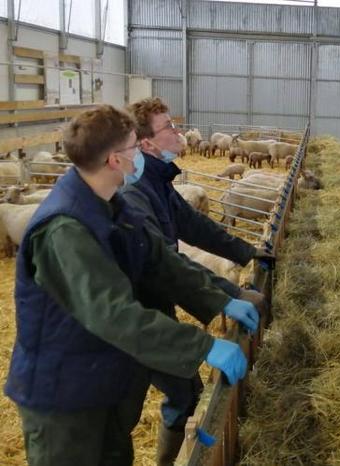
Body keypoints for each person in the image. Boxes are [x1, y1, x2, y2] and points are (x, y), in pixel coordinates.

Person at [4, 105, 260, 466]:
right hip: (62, 397)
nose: (141, 155)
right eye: (134, 149)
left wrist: (222, 299)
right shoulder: (65, 229)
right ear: (114, 160)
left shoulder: (112, 205)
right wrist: (202, 346)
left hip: (100, 379)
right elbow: (113, 313)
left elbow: (159, 261)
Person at [119, 97, 268, 465]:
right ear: (147, 144)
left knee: (183, 390)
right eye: (169, 127)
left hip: (153, 307)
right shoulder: (134, 193)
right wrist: (228, 294)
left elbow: (193, 225)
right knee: (121, 410)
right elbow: (163, 264)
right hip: (133, 316)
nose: (179, 132)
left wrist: (246, 252)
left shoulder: (158, 182)